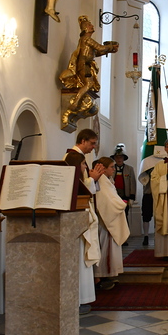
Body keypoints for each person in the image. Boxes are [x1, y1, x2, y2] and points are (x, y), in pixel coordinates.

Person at [64, 128, 104, 315]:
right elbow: (75, 187)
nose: (94, 147)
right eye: (92, 143)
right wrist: (92, 180)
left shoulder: (76, 157)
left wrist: (91, 179)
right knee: (81, 258)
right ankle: (80, 299)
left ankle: (84, 298)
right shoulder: (72, 157)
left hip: (83, 213)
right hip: (78, 216)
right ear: (83, 140)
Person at [59, 16, 119, 126]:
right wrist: (111, 46)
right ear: (86, 29)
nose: (92, 26)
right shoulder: (87, 39)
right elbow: (100, 48)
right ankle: (76, 102)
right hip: (84, 65)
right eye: (90, 25)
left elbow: (95, 53)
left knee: (89, 84)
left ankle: (77, 102)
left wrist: (110, 50)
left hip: (86, 64)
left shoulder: (85, 41)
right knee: (89, 84)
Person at [92, 157, 131, 288]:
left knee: (108, 248)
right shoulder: (102, 181)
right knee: (106, 249)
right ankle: (102, 276)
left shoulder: (106, 180)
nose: (114, 169)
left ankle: (105, 275)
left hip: (108, 220)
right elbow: (106, 201)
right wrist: (122, 204)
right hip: (106, 222)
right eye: (111, 167)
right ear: (103, 168)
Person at [110, 144, 136, 223]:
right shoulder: (111, 168)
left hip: (125, 196)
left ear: (124, 158)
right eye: (117, 157)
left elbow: (133, 183)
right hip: (114, 196)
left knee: (124, 216)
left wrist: (132, 197)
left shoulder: (129, 169)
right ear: (114, 158)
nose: (119, 159)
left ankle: (125, 234)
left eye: (121, 157)